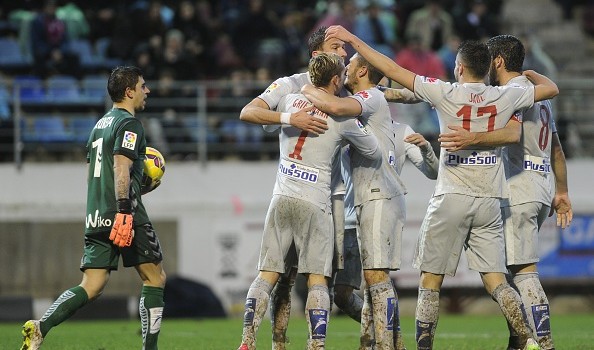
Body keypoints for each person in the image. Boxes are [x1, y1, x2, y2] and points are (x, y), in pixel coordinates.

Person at [324, 25, 559, 350]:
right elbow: (550, 89)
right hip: (490, 199)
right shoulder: (505, 94)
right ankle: (530, 340)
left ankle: (423, 347)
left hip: (451, 196)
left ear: (459, 67)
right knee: (497, 281)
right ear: (487, 67)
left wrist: (352, 40)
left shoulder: (445, 91)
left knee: (430, 282)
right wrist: (531, 73)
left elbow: (392, 70)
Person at [237, 52, 382, 350]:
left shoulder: (289, 102)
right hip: (316, 203)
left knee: (267, 274)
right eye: (341, 75)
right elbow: (374, 151)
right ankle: (316, 345)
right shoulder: (342, 117)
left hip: (281, 197)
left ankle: (247, 340)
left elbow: (264, 121)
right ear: (333, 80)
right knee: (317, 279)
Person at [437, 34, 573, 350]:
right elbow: (557, 150)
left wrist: (470, 138)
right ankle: (517, 339)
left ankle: (543, 341)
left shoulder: (509, 94)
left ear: (497, 61)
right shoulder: (541, 98)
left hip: (519, 186)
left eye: (489, 60)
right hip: (541, 187)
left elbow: (509, 135)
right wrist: (562, 191)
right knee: (514, 268)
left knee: (523, 271)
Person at [20, 66, 166, 350]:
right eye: (143, 86)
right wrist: (125, 209)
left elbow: (95, 174)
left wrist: (134, 186)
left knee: (92, 284)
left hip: (96, 213)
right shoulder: (129, 125)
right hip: (125, 214)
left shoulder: (99, 126)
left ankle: (40, 327)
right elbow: (121, 167)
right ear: (129, 91)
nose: (146, 91)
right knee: (155, 278)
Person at [302, 52, 439, 349]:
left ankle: (390, 344)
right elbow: (397, 93)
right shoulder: (366, 106)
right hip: (365, 202)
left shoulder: (372, 100)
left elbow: (337, 103)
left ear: (362, 70)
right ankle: (372, 343)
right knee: (369, 280)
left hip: (381, 197)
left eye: (349, 64)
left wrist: (305, 86)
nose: (345, 68)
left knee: (376, 279)